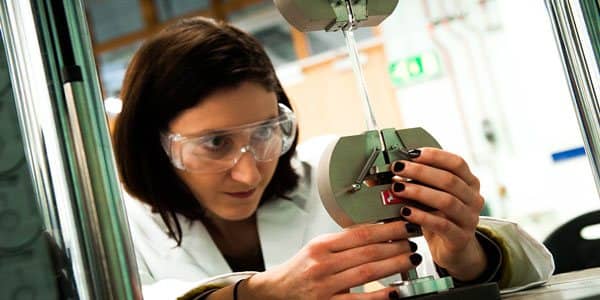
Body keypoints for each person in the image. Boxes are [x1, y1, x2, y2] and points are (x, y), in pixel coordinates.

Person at [113, 17, 554, 300]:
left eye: (266, 133)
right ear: (155, 144)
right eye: (215, 144)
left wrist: (467, 255)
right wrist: (260, 295)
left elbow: (537, 268)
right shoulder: (121, 230)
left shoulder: (336, 176)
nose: (248, 171)